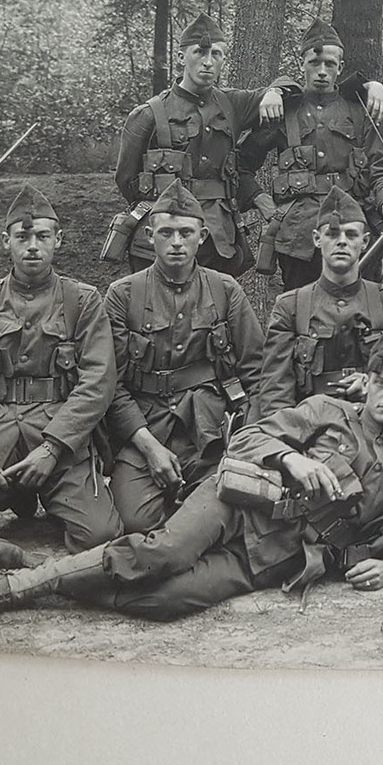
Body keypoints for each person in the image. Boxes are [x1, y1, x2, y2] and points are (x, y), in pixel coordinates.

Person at [0, 332, 383, 623]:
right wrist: (294, 460)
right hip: (239, 501)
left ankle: (35, 571)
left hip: (276, 555)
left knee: (165, 601)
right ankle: (11, 590)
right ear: (367, 382)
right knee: (161, 554)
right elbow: (247, 439)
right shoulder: (326, 410)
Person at [0, 185, 122, 563]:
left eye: (43, 236)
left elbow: (98, 383)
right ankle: (12, 493)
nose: (33, 246)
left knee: (100, 536)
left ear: (58, 240)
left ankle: (37, 498)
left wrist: (53, 448)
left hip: (59, 443)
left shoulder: (83, 301)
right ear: (5, 241)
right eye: (22, 236)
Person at [101, 179, 265, 534]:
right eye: (167, 233)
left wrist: (247, 437)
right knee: (135, 522)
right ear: (148, 235)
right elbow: (108, 385)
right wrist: (147, 446)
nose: (176, 242)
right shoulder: (121, 295)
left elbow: (255, 370)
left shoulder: (225, 290)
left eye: (186, 233)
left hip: (208, 426)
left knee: (223, 508)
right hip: (144, 427)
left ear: (202, 237)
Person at [113, 12, 284, 276]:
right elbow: (127, 179)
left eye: (216, 55)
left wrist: (275, 91)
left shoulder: (233, 104)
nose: (208, 62)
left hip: (217, 239)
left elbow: (293, 93)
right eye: (200, 53)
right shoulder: (148, 115)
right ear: (181, 57)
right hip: (165, 238)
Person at [245, 18, 383, 289]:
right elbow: (240, 165)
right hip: (299, 238)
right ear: (302, 65)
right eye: (314, 63)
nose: (322, 71)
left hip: (352, 230)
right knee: (301, 313)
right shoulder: (285, 111)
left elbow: (381, 166)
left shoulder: (359, 110)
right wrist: (266, 206)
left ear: (341, 67)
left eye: (330, 63)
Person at [255, 186, 383, 416]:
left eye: (351, 235)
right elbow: (275, 396)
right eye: (332, 234)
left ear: (365, 241)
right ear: (317, 239)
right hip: (309, 427)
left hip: (373, 424)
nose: (342, 242)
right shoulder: (290, 307)